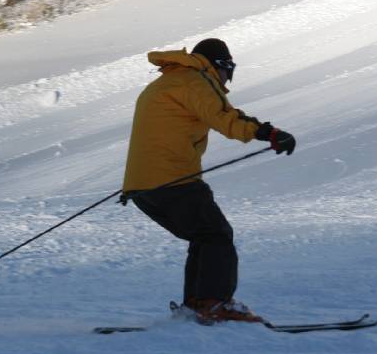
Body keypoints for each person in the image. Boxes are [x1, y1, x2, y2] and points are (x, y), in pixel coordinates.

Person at [121, 38, 296, 323]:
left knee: (204, 236)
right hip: (173, 178)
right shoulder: (195, 79)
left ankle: (197, 305)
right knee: (216, 235)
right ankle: (215, 305)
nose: (228, 79)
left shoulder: (169, 81)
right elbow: (225, 117)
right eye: (230, 70)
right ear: (220, 65)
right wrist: (270, 133)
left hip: (142, 186)